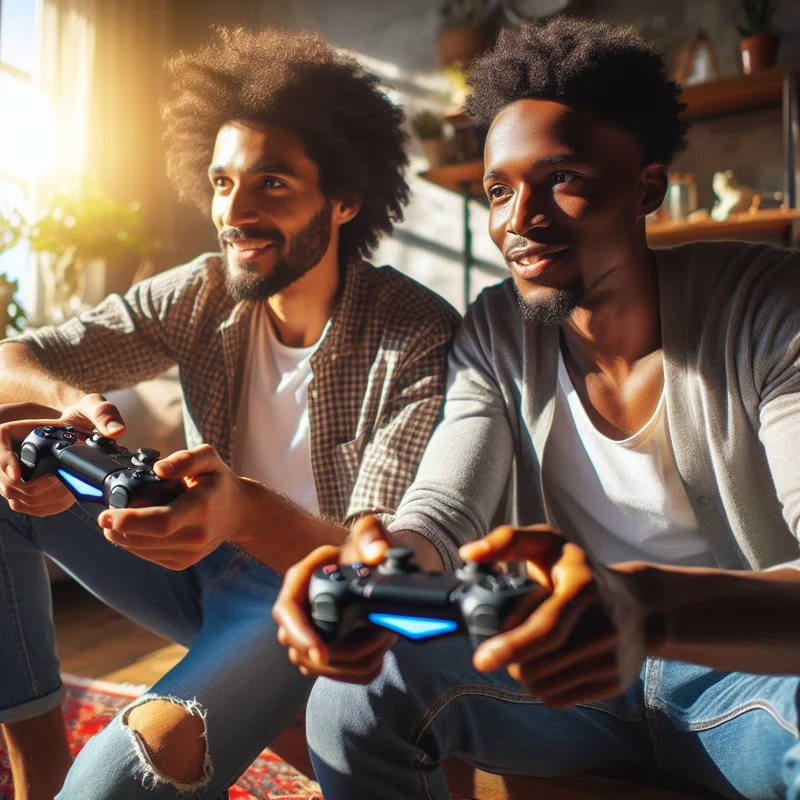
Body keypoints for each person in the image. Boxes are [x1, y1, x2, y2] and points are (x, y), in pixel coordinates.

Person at [273, 17, 800, 800]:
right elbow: (444, 508)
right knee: (351, 700)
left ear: (646, 186)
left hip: (743, 683)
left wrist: (641, 609)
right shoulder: (496, 327)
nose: (519, 219)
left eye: (564, 179)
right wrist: (375, 577)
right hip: (562, 681)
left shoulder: (764, 305)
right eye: (498, 190)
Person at [0, 25, 459, 800]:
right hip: (197, 561)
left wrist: (238, 515)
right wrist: (69, 408)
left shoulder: (415, 335)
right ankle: (37, 768)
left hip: (313, 591)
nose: (233, 212)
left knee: (111, 785)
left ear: (345, 198)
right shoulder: (201, 291)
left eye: (271, 184)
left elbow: (382, 567)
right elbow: (11, 355)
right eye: (221, 182)